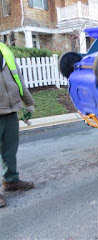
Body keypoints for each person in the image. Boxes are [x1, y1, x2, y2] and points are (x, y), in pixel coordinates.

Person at [0, 42, 35, 208]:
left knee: (10, 150)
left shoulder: (4, 50)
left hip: (10, 111)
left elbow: (18, 78)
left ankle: (11, 181)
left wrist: (29, 102)